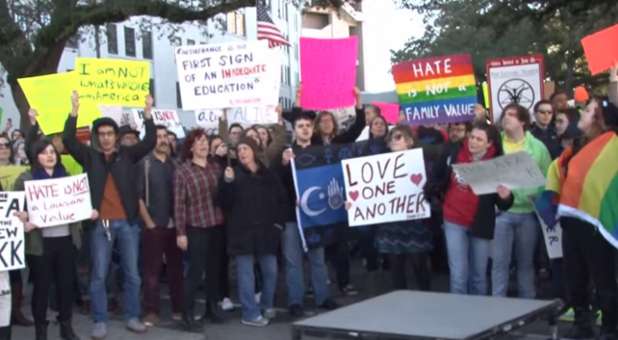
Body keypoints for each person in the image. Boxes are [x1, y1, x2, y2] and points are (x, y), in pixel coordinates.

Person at [63, 92, 155, 339]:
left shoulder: (127, 155)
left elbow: (150, 142)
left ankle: (133, 317)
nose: (105, 138)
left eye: (109, 134)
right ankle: (100, 320)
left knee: (132, 274)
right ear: (96, 137)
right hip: (99, 226)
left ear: (116, 137)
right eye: (101, 134)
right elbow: (69, 140)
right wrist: (74, 111)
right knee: (99, 275)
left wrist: (147, 114)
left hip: (127, 224)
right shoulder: (89, 157)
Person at [546, 97, 617, 339]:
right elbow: (561, 174)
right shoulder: (574, 147)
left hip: (598, 223)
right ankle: (582, 321)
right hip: (573, 221)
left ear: (601, 120)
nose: (582, 114)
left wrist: (614, 81)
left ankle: (610, 327)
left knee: (604, 278)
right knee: (575, 276)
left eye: (588, 111)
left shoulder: (613, 146)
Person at [14, 138, 96, 340]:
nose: (49, 155)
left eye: (52, 151)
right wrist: (24, 218)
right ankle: (40, 330)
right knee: (41, 288)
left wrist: (88, 211)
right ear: (36, 156)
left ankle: (65, 325)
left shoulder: (67, 178)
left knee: (66, 286)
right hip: (40, 245)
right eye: (44, 152)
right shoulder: (26, 179)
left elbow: (77, 205)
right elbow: (15, 212)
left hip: (66, 241)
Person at [428, 122, 513, 295]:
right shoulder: (453, 152)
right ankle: (458, 318)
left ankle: (479, 319)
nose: (472, 142)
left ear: (489, 144)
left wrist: (506, 196)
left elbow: (503, 203)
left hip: (480, 223)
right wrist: (436, 198)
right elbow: (436, 179)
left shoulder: (496, 164)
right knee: (459, 276)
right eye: (472, 137)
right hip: (454, 220)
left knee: (478, 276)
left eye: (479, 139)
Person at [220, 138, 288, 327]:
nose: (242, 152)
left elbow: (281, 199)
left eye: (246, 148)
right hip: (242, 233)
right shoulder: (232, 173)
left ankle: (266, 304)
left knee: (271, 271)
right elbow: (224, 203)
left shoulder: (268, 174)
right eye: (239, 149)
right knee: (246, 275)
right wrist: (227, 183)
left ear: (254, 151)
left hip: (266, 232)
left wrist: (278, 224)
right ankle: (249, 313)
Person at [277, 112, 338, 318]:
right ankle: (296, 300)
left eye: (308, 126)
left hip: (316, 215)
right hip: (292, 216)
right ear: (294, 130)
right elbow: (277, 185)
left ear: (313, 129)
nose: (304, 129)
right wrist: (284, 164)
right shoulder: (286, 154)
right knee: (293, 261)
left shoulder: (321, 153)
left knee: (318, 258)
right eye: (300, 125)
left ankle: (323, 297)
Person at [492, 104, 551, 299]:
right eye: (505, 114)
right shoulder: (494, 144)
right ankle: (496, 309)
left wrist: (542, 206)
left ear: (523, 122)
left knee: (526, 264)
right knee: (500, 264)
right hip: (501, 214)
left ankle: (528, 308)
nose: (506, 118)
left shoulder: (538, 148)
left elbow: (548, 178)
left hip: (528, 214)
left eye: (512, 115)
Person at [369, 126, 433, 291]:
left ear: (410, 142)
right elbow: (369, 193)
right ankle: (401, 301)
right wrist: (357, 204)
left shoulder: (422, 162)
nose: (393, 141)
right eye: (391, 138)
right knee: (396, 268)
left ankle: (428, 299)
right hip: (391, 223)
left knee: (419, 265)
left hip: (414, 222)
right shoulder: (379, 166)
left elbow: (431, 187)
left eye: (398, 137)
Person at [174, 128, 225, 331]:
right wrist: (180, 233)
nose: (204, 144)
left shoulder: (215, 168)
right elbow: (179, 204)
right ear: (191, 147)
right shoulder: (183, 171)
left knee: (214, 271)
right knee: (195, 273)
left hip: (216, 224)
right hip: (195, 227)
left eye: (205, 141)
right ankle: (187, 314)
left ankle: (211, 308)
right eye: (199, 141)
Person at [138, 126, 183, 327]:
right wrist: (149, 222)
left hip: (175, 226)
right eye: (158, 137)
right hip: (154, 226)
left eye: (165, 136)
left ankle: (178, 308)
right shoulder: (144, 164)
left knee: (176, 270)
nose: (163, 140)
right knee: (152, 271)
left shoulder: (176, 165)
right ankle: (151, 311)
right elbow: (137, 197)